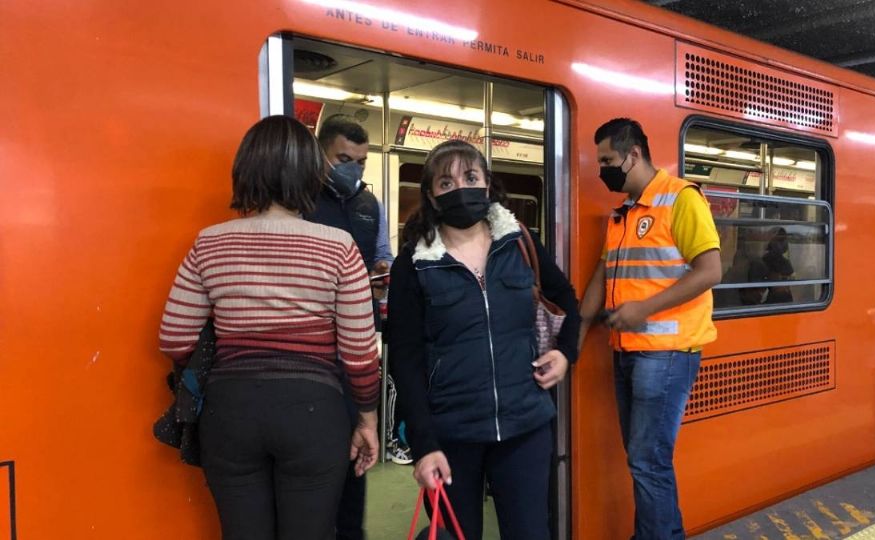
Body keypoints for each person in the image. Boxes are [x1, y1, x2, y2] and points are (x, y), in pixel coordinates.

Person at [158, 115, 380, 540]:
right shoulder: (339, 246)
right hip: (313, 412)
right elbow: (359, 354)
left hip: (230, 411)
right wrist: (367, 420)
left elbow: (174, 336)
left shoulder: (210, 242)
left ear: (246, 169)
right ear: (312, 173)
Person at [387, 139, 581, 540]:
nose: (460, 187)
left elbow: (567, 300)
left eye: (470, 177)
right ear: (431, 195)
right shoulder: (414, 263)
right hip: (451, 432)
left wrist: (565, 354)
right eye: (446, 182)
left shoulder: (520, 243)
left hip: (524, 424)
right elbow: (404, 360)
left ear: (488, 184)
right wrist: (424, 445)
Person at [579, 118, 721, 540]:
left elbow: (710, 270)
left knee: (647, 460)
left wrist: (644, 309)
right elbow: (602, 277)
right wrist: (578, 330)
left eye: (607, 160)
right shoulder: (621, 215)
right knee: (644, 458)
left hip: (668, 352)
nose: (602, 169)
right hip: (626, 351)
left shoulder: (681, 199)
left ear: (633, 154)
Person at [304, 114, 408, 540]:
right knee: (314, 450)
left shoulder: (370, 205)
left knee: (356, 446)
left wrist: (385, 270)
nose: (354, 169)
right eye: (344, 158)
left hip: (358, 337)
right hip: (310, 340)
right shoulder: (300, 199)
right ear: (321, 156)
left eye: (361, 161)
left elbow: (382, 255)